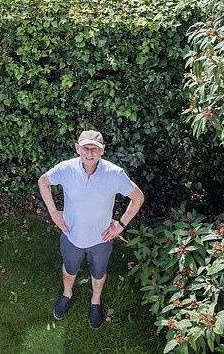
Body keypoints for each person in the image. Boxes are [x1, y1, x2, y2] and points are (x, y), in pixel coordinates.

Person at [38, 130, 144, 330]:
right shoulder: (65, 169)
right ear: (77, 148)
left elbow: (138, 197)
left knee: (98, 273)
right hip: (71, 236)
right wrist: (53, 212)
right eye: (85, 148)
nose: (89, 153)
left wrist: (121, 224)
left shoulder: (115, 174)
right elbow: (43, 182)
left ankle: (95, 301)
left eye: (94, 148)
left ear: (102, 151)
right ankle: (67, 294)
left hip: (101, 240)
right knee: (70, 270)